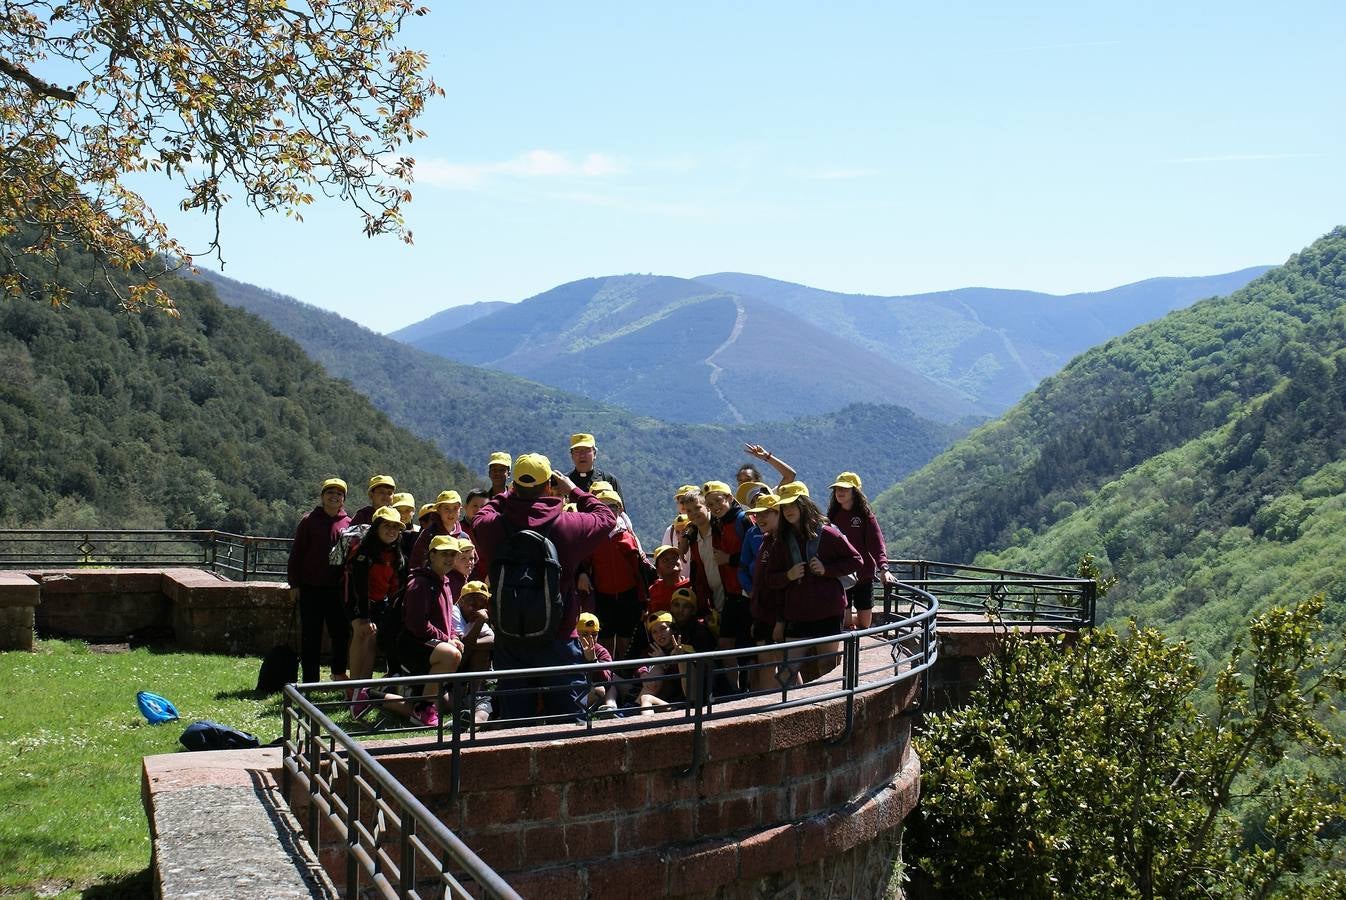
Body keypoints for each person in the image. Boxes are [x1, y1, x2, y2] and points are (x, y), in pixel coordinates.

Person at [471, 452, 617, 722]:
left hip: (510, 638)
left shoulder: (493, 527)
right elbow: (607, 516)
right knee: (568, 726)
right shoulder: (568, 526)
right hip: (559, 636)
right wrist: (573, 489)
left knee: (516, 724)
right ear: (549, 485)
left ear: (514, 486)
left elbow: (482, 514)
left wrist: (506, 495)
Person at [353, 534, 463, 727]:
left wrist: (453, 636)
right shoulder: (419, 584)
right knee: (450, 655)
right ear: (432, 555)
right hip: (412, 646)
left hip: (429, 645)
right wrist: (447, 640)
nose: (449, 558)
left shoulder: (444, 583)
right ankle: (424, 709)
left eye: (453, 554)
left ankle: (371, 695)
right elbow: (416, 625)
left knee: (445, 703)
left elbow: (447, 620)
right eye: (444, 553)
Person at [760, 483, 862, 684]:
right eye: (785, 506)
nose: (788, 511)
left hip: (827, 613)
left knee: (828, 667)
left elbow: (856, 560)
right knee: (786, 673)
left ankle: (829, 710)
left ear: (804, 505)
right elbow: (770, 578)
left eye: (793, 505)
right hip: (796, 614)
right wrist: (788, 575)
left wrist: (827, 569)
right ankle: (797, 709)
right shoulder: (781, 541)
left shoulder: (829, 534)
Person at [287, 477, 352, 685]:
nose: (334, 496)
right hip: (311, 588)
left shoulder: (348, 524)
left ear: (343, 499)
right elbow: (297, 554)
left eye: (339, 493)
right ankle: (310, 680)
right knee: (310, 637)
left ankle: (339, 674)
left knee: (341, 634)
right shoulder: (309, 521)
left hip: (338, 590)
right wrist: (294, 584)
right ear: (322, 497)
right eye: (330, 492)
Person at [582, 490, 652, 659]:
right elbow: (584, 561)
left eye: (612, 506)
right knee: (604, 638)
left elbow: (638, 569)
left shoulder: (627, 536)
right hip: (602, 594)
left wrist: (644, 600)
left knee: (626, 638)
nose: (608, 510)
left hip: (629, 595)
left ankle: (625, 675)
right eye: (603, 506)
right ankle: (607, 676)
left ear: (620, 510)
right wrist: (582, 573)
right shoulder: (593, 536)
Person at [345, 505, 408, 685]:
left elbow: (394, 585)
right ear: (376, 528)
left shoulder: (395, 553)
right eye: (386, 526)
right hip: (357, 601)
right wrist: (364, 616)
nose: (391, 531)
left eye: (395, 527)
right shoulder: (363, 552)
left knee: (372, 639)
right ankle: (353, 685)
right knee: (361, 634)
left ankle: (363, 686)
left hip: (379, 602)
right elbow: (359, 586)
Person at [827, 472, 896, 630]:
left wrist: (883, 568)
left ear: (855, 492)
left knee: (865, 623)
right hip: (842, 575)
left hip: (863, 575)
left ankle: (853, 632)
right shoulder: (833, 515)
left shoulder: (865, 516)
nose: (839, 492)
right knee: (845, 623)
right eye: (837, 489)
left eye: (844, 489)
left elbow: (877, 543)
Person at [408, 489, 465, 569]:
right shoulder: (429, 534)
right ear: (438, 510)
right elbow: (416, 563)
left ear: (460, 510)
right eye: (446, 508)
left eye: (455, 508)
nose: (451, 513)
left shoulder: (464, 537)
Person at [577, 612, 618, 717]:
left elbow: (607, 682)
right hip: (573, 691)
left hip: (591, 692)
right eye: (585, 634)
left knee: (600, 689)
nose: (590, 638)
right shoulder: (570, 649)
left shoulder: (601, 651)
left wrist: (593, 661)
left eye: (594, 634)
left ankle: (610, 710)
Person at [391, 492, 420, 558]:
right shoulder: (387, 533)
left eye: (407, 510)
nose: (403, 514)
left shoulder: (420, 532)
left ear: (414, 511)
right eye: (398, 510)